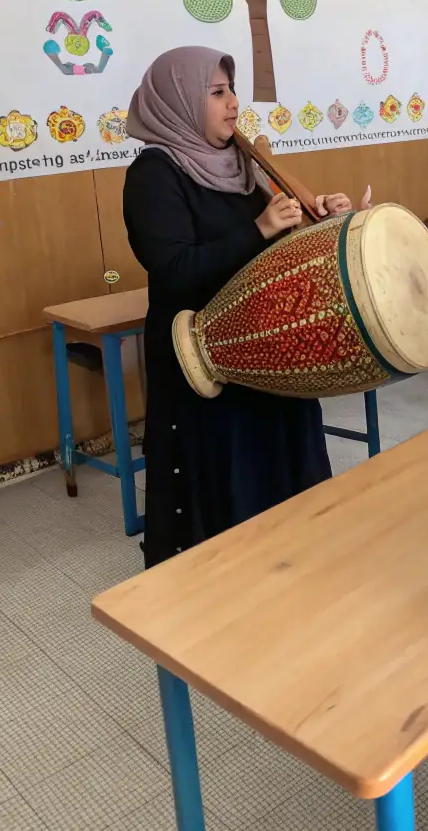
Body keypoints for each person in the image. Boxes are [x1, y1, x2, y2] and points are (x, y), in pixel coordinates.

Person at [123, 47, 353, 567]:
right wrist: (260, 228)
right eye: (217, 92)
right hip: (203, 359)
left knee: (280, 470)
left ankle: (288, 567)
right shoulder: (154, 175)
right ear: (179, 101)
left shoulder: (241, 163)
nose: (233, 104)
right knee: (225, 487)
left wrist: (318, 219)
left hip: (266, 354)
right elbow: (175, 269)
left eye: (232, 90)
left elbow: (270, 256)